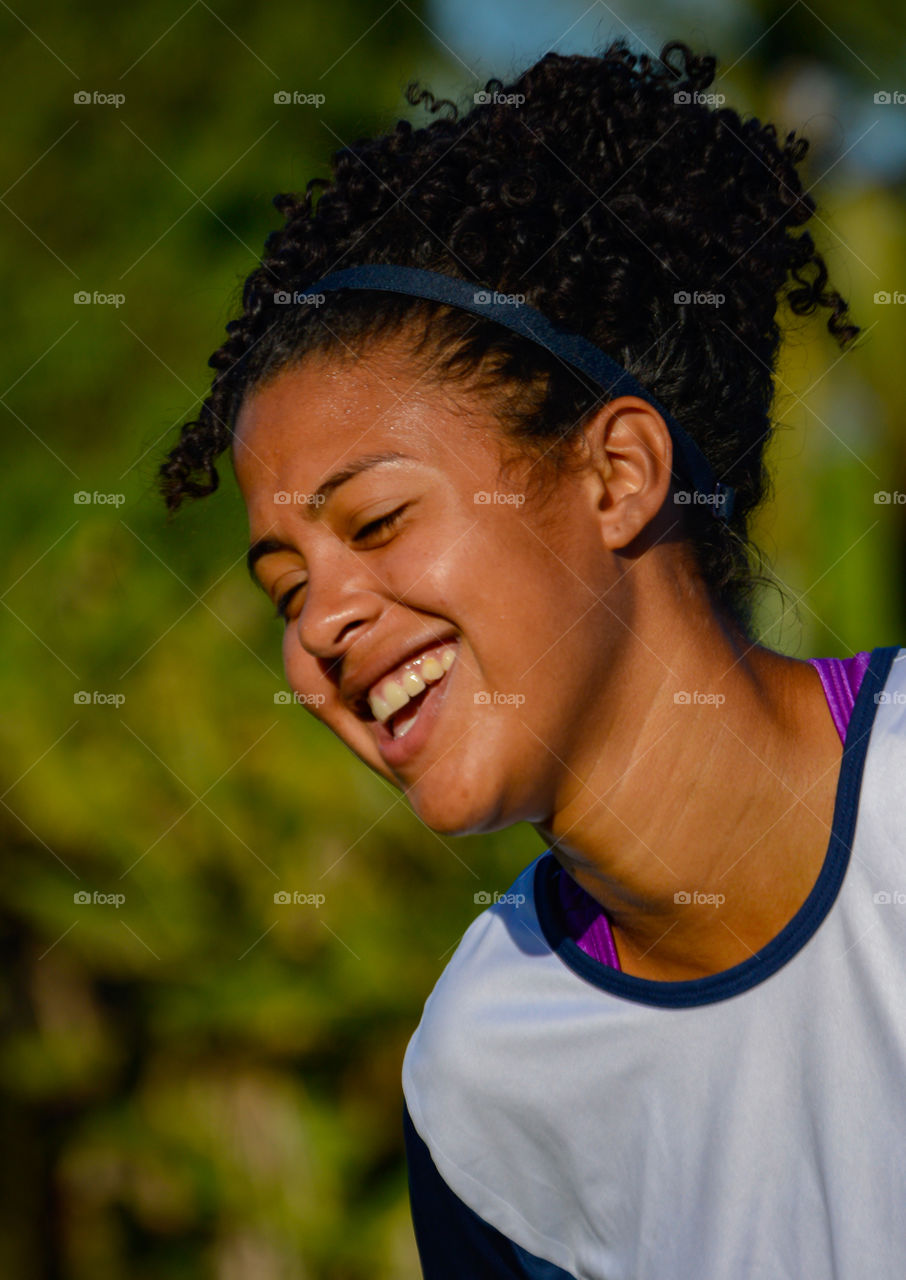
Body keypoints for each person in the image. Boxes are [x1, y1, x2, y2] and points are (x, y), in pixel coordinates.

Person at [159, 37, 906, 1280]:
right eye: (286, 589)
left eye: (379, 521)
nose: (318, 633)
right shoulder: (482, 1091)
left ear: (618, 474)